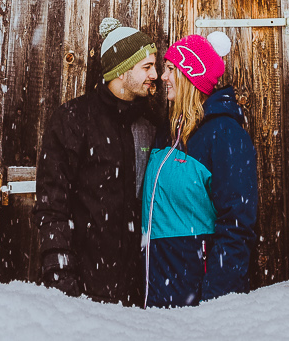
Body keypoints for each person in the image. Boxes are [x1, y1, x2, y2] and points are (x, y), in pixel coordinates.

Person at [36, 17, 160, 305]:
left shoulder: (149, 126)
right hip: (83, 287)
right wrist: (61, 273)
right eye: (147, 67)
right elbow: (51, 203)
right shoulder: (73, 120)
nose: (155, 74)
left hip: (138, 291)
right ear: (120, 71)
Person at [141, 31, 258, 307]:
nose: (163, 76)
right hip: (158, 291)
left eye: (171, 69)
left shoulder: (224, 134)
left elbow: (237, 226)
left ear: (190, 75)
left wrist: (215, 303)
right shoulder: (168, 134)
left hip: (194, 298)